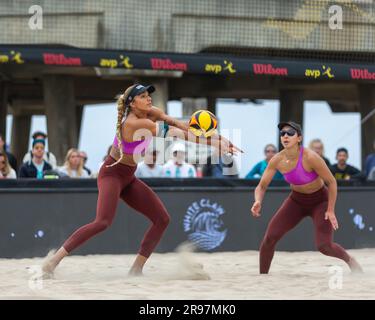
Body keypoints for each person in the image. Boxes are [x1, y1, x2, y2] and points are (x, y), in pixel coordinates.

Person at [42, 83, 239, 278]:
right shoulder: (134, 123)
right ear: (132, 103)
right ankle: (53, 261)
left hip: (128, 176)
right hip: (111, 174)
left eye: (148, 95)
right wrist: (216, 143)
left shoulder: (151, 113)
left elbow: (181, 125)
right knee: (102, 221)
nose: (148, 98)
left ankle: (136, 269)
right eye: (143, 96)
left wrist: (220, 139)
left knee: (162, 219)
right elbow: (178, 134)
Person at [251, 121, 362, 274]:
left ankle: (350, 260)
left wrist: (330, 209)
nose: (285, 136)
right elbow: (262, 186)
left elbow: (331, 182)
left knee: (324, 246)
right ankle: (263, 277)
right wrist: (258, 200)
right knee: (269, 238)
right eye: (282, 133)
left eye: (290, 133)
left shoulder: (311, 157)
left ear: (299, 138)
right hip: (296, 201)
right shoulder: (277, 159)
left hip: (320, 201)